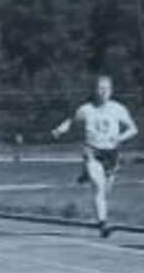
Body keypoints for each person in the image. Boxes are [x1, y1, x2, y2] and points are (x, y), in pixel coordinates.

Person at [51, 75, 139, 238]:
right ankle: (103, 224)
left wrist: (119, 138)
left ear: (111, 91)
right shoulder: (86, 109)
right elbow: (71, 121)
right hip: (93, 151)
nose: (103, 92)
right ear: (94, 90)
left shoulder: (118, 109)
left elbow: (133, 129)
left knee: (105, 191)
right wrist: (59, 130)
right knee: (98, 187)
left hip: (111, 153)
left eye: (106, 88)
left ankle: (87, 176)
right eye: (100, 88)